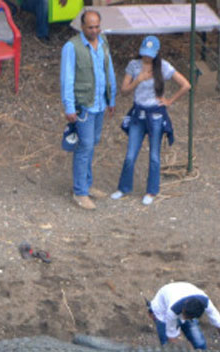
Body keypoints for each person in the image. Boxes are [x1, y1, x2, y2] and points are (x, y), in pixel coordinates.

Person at [110, 36, 191, 206]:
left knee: (154, 155)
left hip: (155, 115)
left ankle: (151, 191)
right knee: (130, 154)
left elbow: (186, 85)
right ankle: (124, 187)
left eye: (150, 54)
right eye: (144, 54)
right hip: (138, 113)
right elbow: (124, 90)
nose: (146, 57)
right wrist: (137, 80)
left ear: (156, 53)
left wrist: (169, 100)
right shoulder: (134, 65)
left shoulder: (164, 67)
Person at [60, 10, 116, 210]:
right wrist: (69, 105)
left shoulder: (103, 42)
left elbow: (108, 70)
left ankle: (86, 184)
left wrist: (112, 97)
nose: (95, 30)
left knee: (92, 144)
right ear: (82, 27)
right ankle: (80, 192)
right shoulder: (72, 47)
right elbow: (67, 78)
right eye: (91, 27)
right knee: (84, 147)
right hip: (84, 104)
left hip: (100, 103)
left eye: (97, 26)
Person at [148, 282, 220, 350]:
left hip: (186, 292)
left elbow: (219, 323)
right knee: (167, 346)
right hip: (163, 309)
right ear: (184, 309)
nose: (184, 318)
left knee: (200, 344)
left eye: (188, 318)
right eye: (185, 316)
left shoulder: (206, 303)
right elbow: (171, 336)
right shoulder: (172, 311)